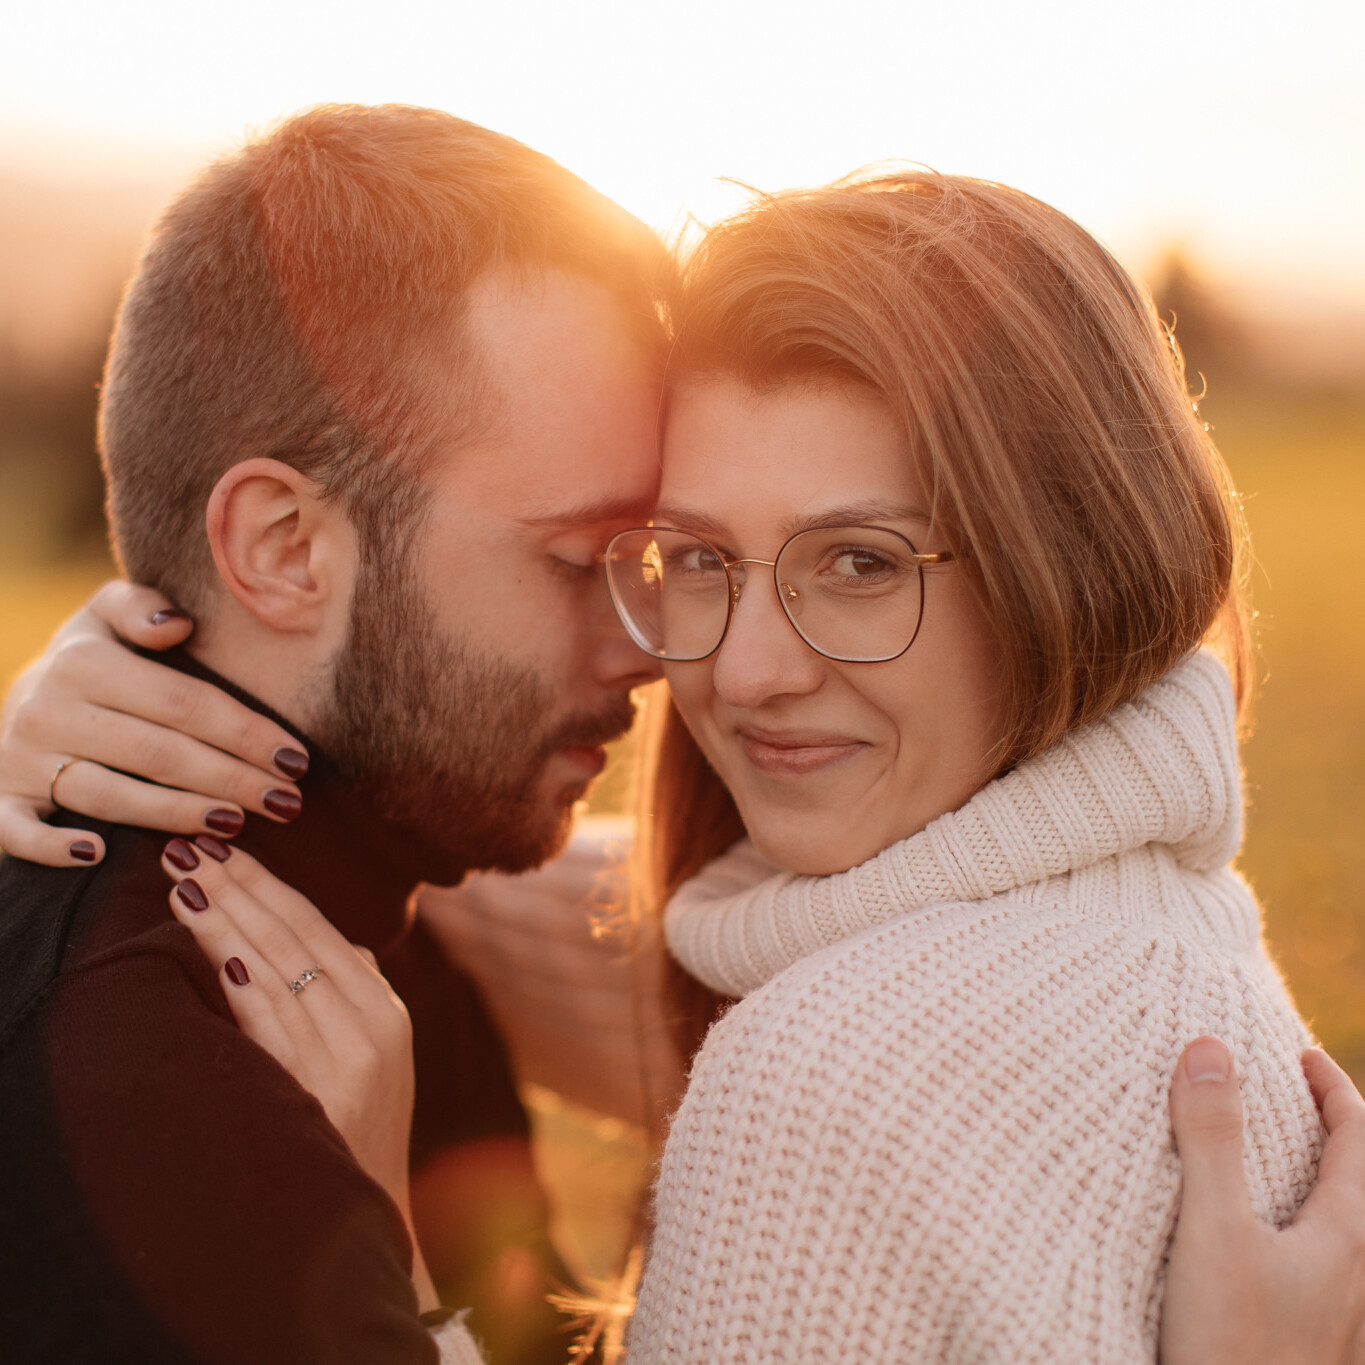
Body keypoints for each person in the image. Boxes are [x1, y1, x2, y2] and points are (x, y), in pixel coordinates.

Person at [6, 167, 1365, 1362]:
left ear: (1058, 568)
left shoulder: (825, 1072)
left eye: (860, 562)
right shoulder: (1160, 931)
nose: (720, 665)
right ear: (282, 548)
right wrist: (170, 772)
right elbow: (603, 938)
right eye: (692, 557)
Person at [0, 103, 672, 1365]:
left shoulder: (386, 956)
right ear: (285, 548)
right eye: (581, 559)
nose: (644, 646)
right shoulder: (145, 1083)